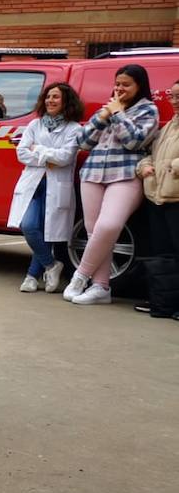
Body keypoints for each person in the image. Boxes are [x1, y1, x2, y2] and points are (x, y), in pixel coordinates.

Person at [66, 64, 158, 306]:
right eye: (117, 84)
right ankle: (100, 287)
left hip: (126, 174)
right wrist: (104, 116)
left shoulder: (149, 110)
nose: (120, 89)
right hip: (93, 174)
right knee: (94, 231)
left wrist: (118, 114)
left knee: (109, 226)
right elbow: (83, 142)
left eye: (126, 85)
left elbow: (134, 141)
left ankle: (80, 276)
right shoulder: (108, 108)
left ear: (140, 86)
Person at [7, 82, 84, 294]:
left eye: (56, 97)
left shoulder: (74, 129)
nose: (50, 100)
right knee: (29, 225)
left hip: (56, 185)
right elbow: (21, 153)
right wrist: (48, 156)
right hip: (34, 184)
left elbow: (65, 158)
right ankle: (52, 265)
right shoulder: (35, 125)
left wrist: (37, 150)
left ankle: (31, 276)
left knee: (46, 232)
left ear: (66, 101)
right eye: (48, 96)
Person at [134, 79, 179, 319]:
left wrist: (174, 165)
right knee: (163, 255)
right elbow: (149, 154)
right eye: (172, 96)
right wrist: (144, 167)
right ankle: (163, 303)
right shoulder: (169, 126)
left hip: (176, 197)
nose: (175, 101)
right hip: (159, 197)